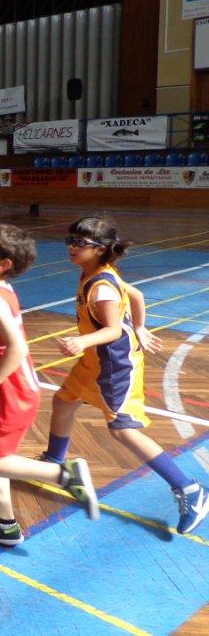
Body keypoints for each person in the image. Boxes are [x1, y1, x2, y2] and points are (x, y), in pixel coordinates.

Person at [41, 216, 209, 535]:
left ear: (101, 249)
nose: (72, 248)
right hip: (94, 360)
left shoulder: (101, 286)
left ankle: (190, 490)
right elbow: (136, 296)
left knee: (123, 430)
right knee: (63, 402)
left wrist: (82, 340)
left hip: (115, 365)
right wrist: (142, 326)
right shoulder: (96, 274)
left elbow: (113, 329)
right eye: (70, 241)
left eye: (80, 243)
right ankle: (54, 463)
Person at [0, 223, 98, 547]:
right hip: (13, 391)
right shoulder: (0, 292)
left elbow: (18, 348)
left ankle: (64, 476)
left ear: (2, 264)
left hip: (6, 394)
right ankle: (4, 524)